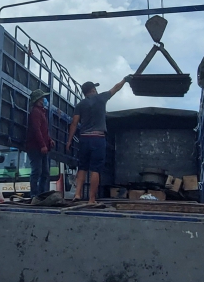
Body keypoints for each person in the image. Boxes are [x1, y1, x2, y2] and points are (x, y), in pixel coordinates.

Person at [67, 76, 130, 206]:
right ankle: (91, 199)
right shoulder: (102, 98)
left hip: (84, 138)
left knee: (82, 167)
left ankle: (77, 194)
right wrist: (125, 80)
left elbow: (74, 123)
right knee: (95, 170)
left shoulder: (80, 104)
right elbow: (116, 88)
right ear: (93, 90)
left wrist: (69, 141)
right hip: (98, 138)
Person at [25, 88, 54, 198]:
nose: (44, 100)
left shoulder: (41, 112)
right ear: (38, 100)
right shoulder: (36, 112)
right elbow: (36, 129)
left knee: (45, 172)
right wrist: (42, 145)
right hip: (35, 147)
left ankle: (42, 194)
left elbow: (43, 130)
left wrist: (49, 140)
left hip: (41, 147)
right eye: (42, 98)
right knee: (37, 171)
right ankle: (34, 195)